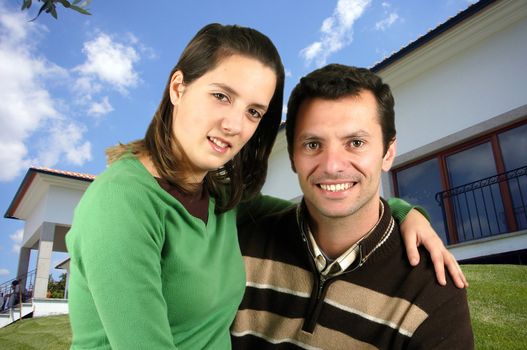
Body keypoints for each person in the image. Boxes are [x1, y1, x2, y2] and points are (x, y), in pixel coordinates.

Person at [66, 24, 464, 350]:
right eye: (221, 96)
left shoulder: (223, 202)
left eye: (253, 111)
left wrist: (405, 212)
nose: (234, 125)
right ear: (177, 88)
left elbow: (328, 203)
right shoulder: (121, 202)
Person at [231, 64, 474, 349]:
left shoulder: (431, 291)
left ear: (388, 153)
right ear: (293, 157)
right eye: (312, 145)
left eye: (356, 142)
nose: (333, 166)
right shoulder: (242, 240)